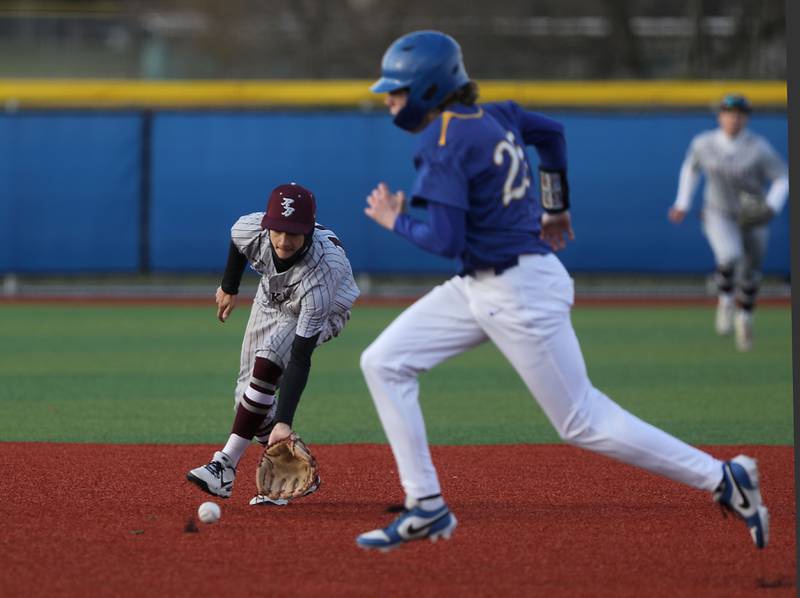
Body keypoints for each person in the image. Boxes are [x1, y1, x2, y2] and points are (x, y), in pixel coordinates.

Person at [355, 30, 769, 552]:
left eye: (397, 90)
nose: (390, 100)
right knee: (384, 361)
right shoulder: (494, 115)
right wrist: (556, 204)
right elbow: (550, 134)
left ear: (430, 90)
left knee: (580, 418)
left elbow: (444, 239)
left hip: (517, 291)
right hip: (485, 282)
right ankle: (427, 506)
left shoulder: (442, 141)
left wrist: (395, 221)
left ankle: (724, 478)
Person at [187, 182, 359, 501]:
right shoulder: (250, 229)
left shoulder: (324, 270)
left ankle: (224, 465)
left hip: (326, 308)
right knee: (247, 397)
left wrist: (285, 419)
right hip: (271, 299)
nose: (283, 240)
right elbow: (238, 243)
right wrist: (229, 286)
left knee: (268, 361)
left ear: (308, 231)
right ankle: (289, 465)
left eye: (293, 232)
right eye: (277, 229)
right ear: (267, 223)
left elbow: (299, 357)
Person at [668, 94, 789, 351]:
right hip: (718, 211)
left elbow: (783, 178)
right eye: (728, 113)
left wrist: (771, 206)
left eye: (739, 114)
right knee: (729, 255)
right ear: (720, 116)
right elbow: (691, 169)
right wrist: (682, 203)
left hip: (752, 216)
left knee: (751, 273)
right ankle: (725, 300)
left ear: (746, 118)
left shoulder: (758, 147)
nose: (733, 118)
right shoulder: (704, 143)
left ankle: (744, 319)